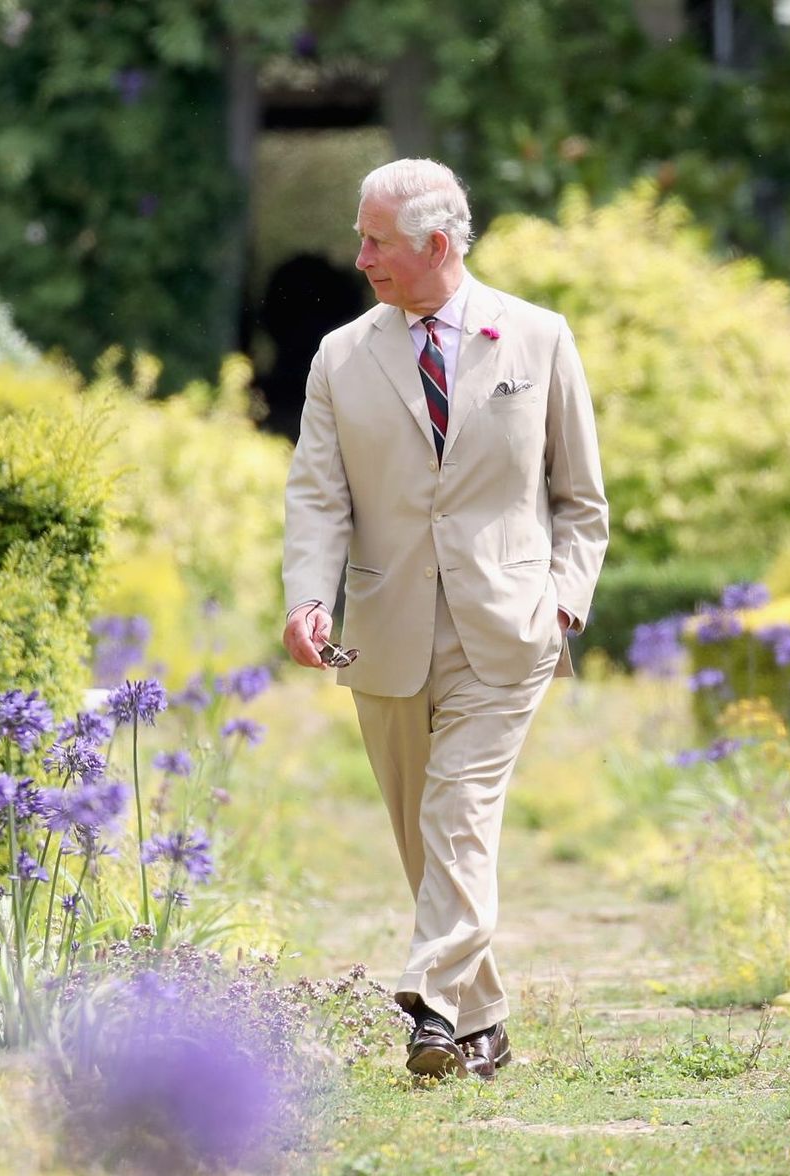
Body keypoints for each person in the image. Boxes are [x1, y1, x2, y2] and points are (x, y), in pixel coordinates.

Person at [282, 158, 608, 1080]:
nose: (359, 257)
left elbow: (580, 499)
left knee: (458, 812)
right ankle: (482, 1027)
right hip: (383, 631)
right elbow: (317, 497)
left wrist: (564, 599)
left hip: (508, 630)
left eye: (376, 240)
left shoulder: (539, 340)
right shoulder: (341, 357)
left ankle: (427, 999)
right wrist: (308, 597)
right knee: (424, 837)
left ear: (435, 244)